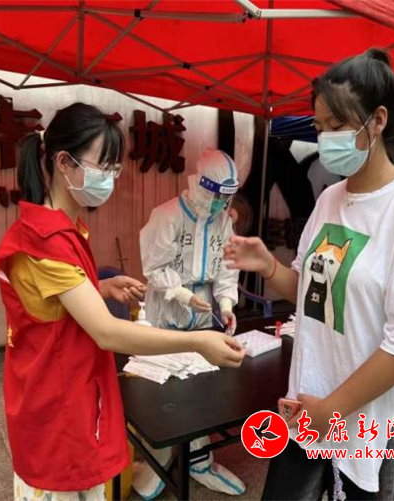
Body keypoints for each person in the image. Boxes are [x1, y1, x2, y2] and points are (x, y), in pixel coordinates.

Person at [225, 48, 394, 501]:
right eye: (319, 127)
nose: (326, 138)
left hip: (371, 421)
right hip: (310, 401)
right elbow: (311, 293)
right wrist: (268, 266)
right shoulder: (330, 199)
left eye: (337, 126)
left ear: (378, 120)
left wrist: (332, 411)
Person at [0, 103, 245, 501]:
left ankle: (191, 462)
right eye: (103, 167)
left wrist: (101, 287)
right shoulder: (44, 241)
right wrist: (198, 341)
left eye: (114, 169)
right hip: (57, 401)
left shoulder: (64, 229)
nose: (110, 179)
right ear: (63, 162)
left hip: (74, 385)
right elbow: (107, 331)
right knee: (66, 483)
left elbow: (56, 298)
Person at [133, 148, 245, 498]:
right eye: (216, 196)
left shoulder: (223, 221)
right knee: (164, 390)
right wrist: (181, 294)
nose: (220, 204)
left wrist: (225, 304)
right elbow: (153, 268)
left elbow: (227, 267)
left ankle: (199, 461)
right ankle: (160, 459)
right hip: (167, 310)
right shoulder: (167, 216)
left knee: (200, 386)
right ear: (200, 185)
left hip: (202, 311)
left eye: (226, 198)